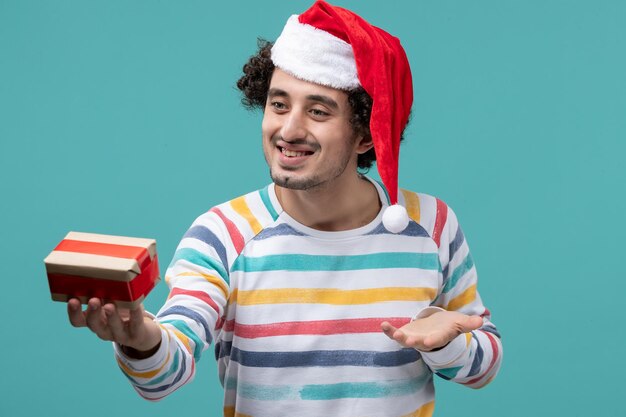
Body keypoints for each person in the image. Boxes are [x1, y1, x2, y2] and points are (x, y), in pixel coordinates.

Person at [66, 1, 502, 416]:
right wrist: (139, 338)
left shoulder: (431, 225)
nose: (288, 129)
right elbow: (163, 375)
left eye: (317, 111)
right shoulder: (223, 232)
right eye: (278, 104)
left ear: (367, 136)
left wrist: (447, 345)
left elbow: (485, 365)